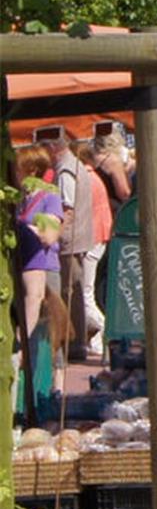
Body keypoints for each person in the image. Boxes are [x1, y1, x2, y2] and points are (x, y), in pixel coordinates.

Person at [50, 128, 104, 359]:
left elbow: (67, 209)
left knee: (70, 293)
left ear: (52, 147)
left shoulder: (65, 170)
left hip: (70, 241)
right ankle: (77, 343)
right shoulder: (75, 165)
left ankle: (73, 344)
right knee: (76, 292)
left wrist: (54, 234)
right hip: (81, 238)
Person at [13, 143, 64, 363]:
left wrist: (25, 230)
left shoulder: (50, 197)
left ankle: (55, 387)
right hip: (24, 265)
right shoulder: (19, 198)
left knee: (49, 334)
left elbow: (50, 234)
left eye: (18, 167)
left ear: (31, 169)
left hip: (46, 267)